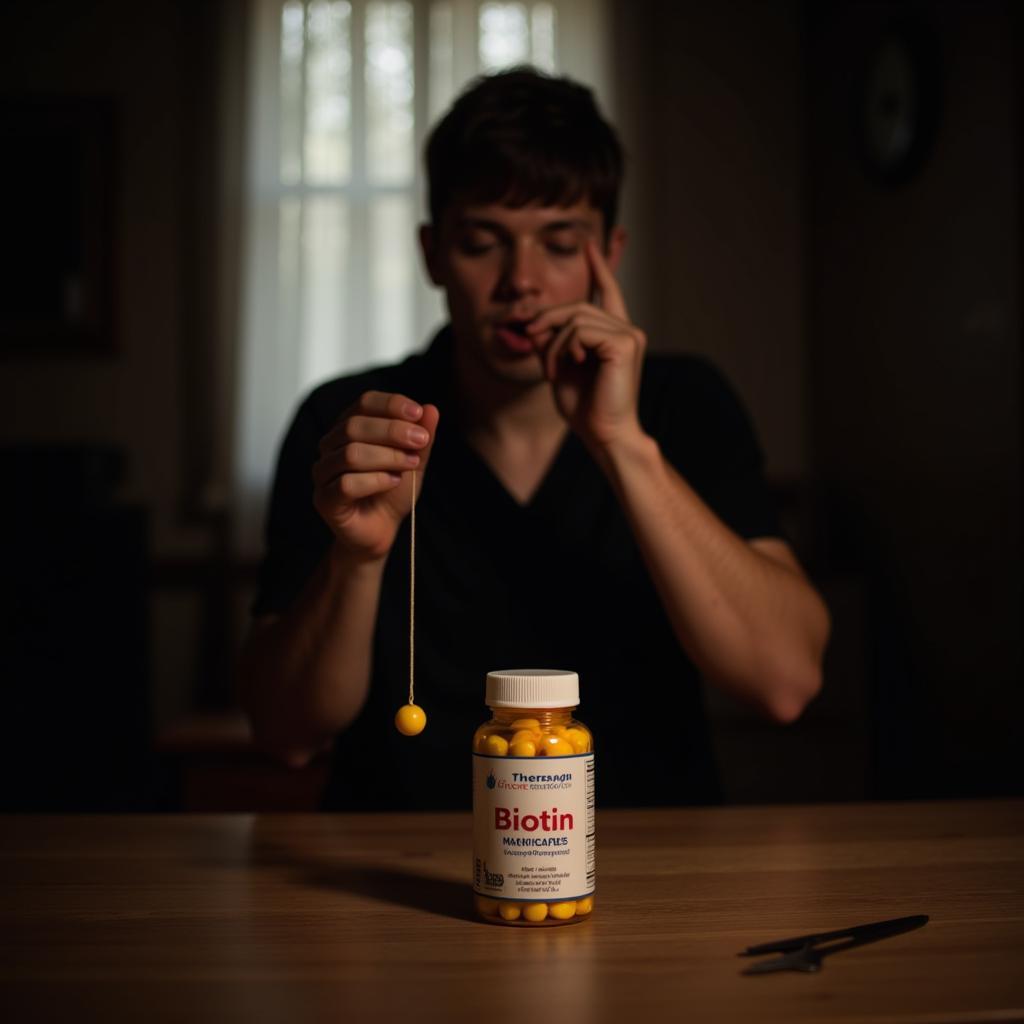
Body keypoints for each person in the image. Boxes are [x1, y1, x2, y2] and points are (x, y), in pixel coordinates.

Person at [237, 67, 830, 810]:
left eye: (558, 243)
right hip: (395, 859)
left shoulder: (684, 404)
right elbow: (284, 731)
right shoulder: (352, 424)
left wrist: (621, 441)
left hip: (651, 861)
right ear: (431, 254)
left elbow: (786, 682)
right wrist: (358, 558)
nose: (522, 280)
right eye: (483, 242)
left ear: (607, 256)